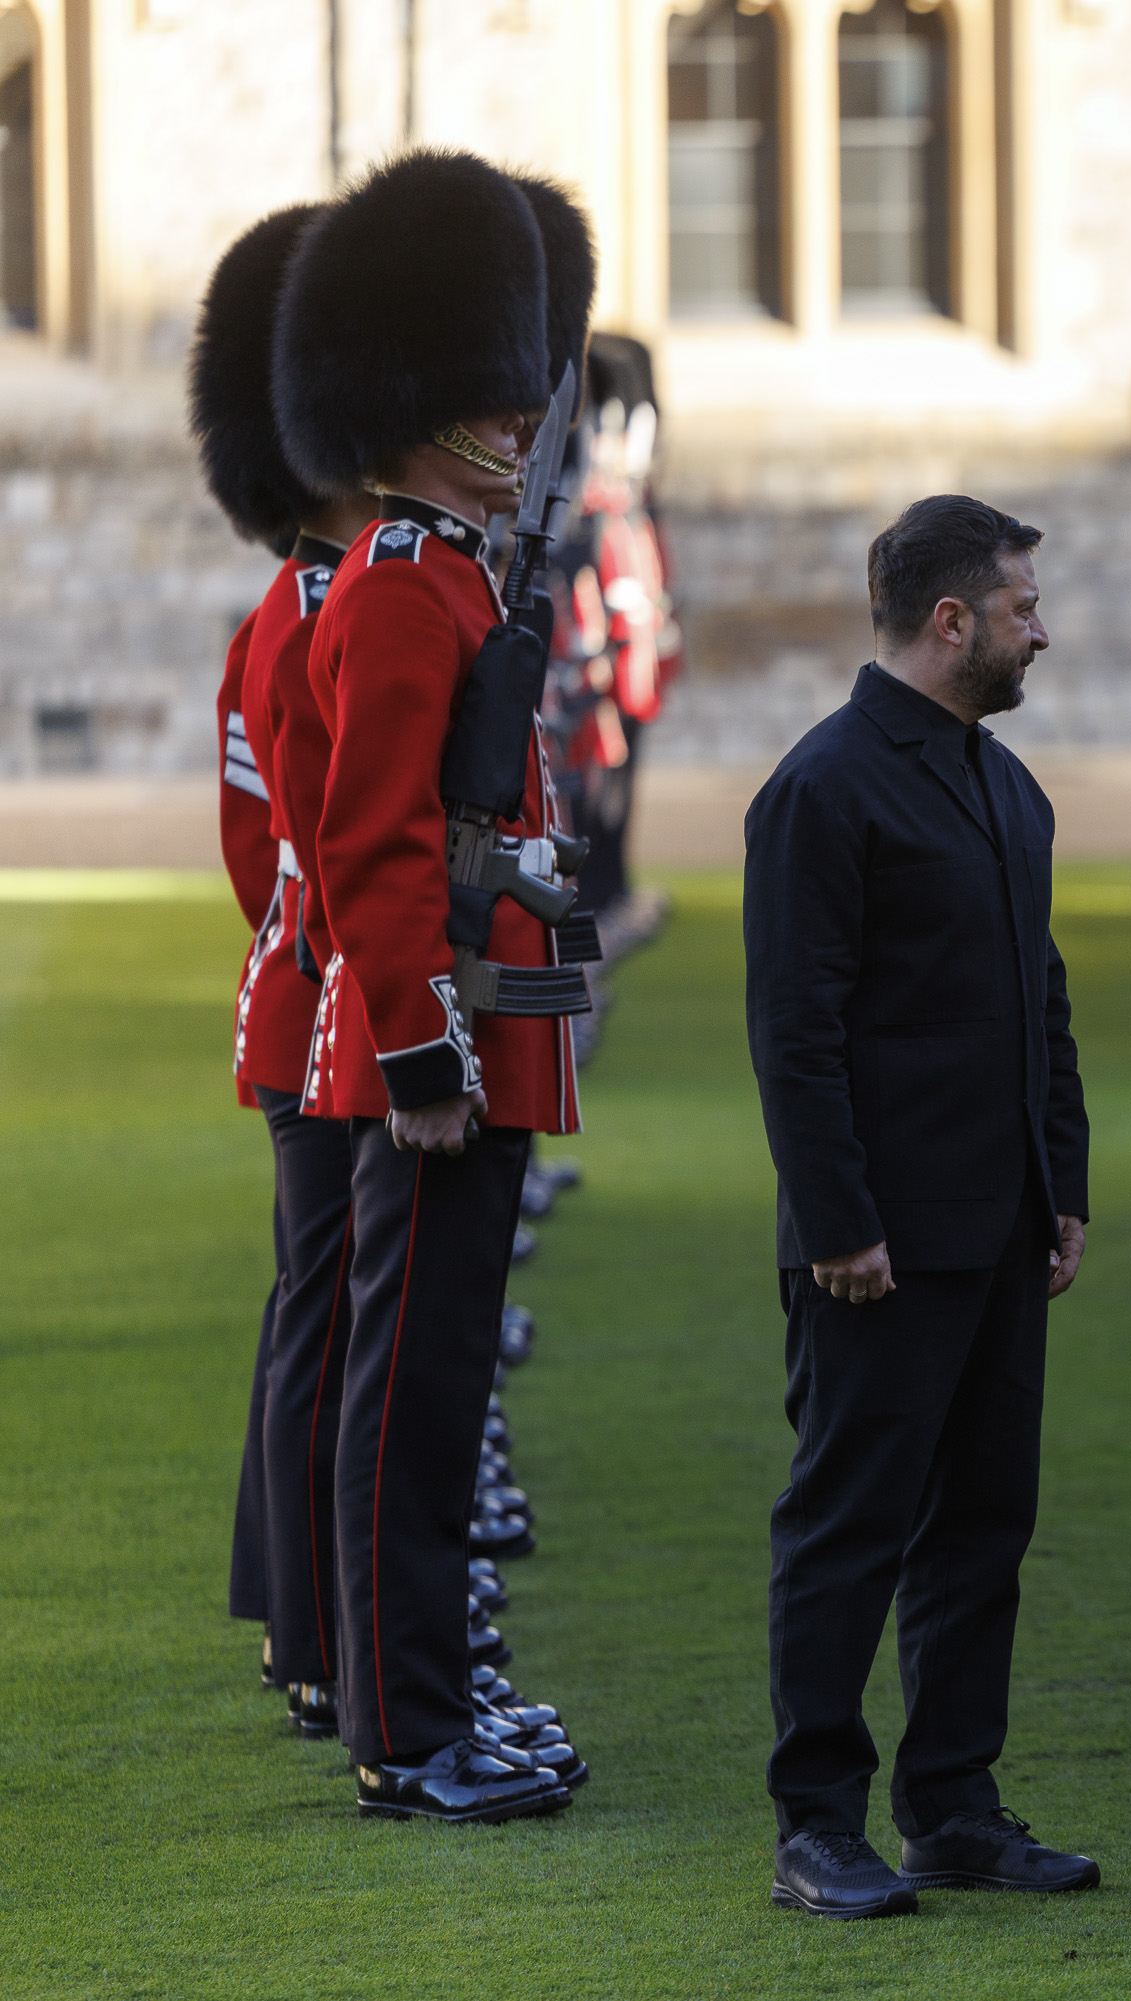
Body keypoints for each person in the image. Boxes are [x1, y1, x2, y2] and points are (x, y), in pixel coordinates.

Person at [271, 150, 599, 1824]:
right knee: (407, 1397)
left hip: (481, 1046)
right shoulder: (404, 584)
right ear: (436, 402)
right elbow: (374, 846)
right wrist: (422, 1055)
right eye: (501, 387)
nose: (526, 410)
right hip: (429, 1054)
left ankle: (440, 1691)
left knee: (447, 1383)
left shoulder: (455, 570)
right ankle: (404, 1729)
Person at [742, 495, 1096, 1918]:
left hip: (999, 1231)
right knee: (849, 1530)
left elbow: (1042, 1004)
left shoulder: (1007, 787)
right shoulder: (825, 788)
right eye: (1020, 607)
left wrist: (1060, 1186)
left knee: (981, 1529)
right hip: (875, 1249)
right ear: (950, 621)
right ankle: (816, 1821)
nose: (1040, 629)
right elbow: (795, 1028)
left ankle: (952, 1802)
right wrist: (837, 1221)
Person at [191, 198, 377, 1709]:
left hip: (309, 990)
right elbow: (292, 849)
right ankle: (320, 1639)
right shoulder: (307, 613)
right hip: (321, 997)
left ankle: (296, 1614)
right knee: (325, 1322)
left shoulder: (305, 601)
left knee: (312, 1310)